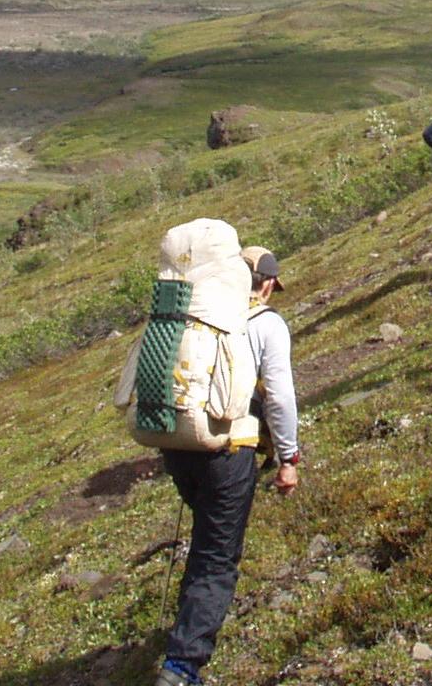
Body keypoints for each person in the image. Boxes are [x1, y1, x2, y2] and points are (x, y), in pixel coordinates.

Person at [156, 245, 300, 686]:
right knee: (217, 557)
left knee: (207, 539)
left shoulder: (198, 315)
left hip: (178, 444)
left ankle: (185, 630)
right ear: (270, 283)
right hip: (228, 451)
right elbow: (278, 396)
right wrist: (289, 457)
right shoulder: (266, 324)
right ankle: (183, 665)